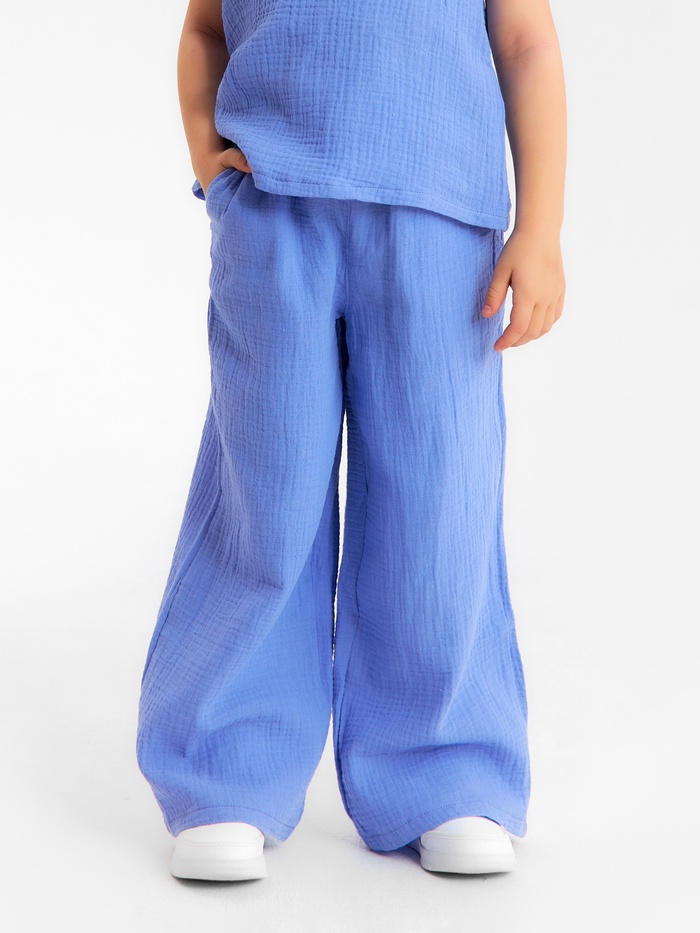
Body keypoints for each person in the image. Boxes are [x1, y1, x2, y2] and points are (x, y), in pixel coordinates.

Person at [136, 0, 566, 881]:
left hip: (444, 224)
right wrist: (209, 159)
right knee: (267, 490)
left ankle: (446, 767)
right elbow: (205, 28)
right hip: (276, 211)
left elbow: (526, 42)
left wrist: (542, 229)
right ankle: (226, 767)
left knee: (439, 500)